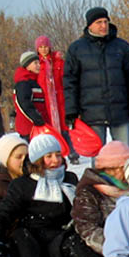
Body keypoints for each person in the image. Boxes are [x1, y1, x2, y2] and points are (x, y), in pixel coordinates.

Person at [0, 134, 105, 257]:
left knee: (78, 241)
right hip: (36, 246)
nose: (55, 160)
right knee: (21, 233)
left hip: (63, 240)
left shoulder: (69, 179)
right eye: (48, 156)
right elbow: (0, 216)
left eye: (57, 154)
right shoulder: (23, 185)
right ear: (37, 160)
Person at [63, 7, 129, 157]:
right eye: (99, 22)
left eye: (105, 21)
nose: (103, 25)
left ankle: (123, 181)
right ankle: (100, 181)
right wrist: (72, 110)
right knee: (98, 158)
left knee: (124, 155)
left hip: (119, 110)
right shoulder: (76, 49)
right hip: (91, 113)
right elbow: (70, 82)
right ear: (89, 25)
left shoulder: (122, 47)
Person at [35, 35, 79, 163]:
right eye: (41, 47)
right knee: (49, 131)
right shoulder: (36, 63)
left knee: (65, 129)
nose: (43, 50)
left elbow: (66, 79)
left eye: (45, 47)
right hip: (45, 102)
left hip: (59, 99)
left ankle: (72, 154)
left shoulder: (58, 62)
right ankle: (52, 155)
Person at [0, 133, 29, 217]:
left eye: (27, 156)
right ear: (6, 161)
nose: (24, 160)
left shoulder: (35, 177)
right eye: (19, 157)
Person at [12, 51, 45, 139]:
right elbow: (24, 102)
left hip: (37, 125)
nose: (38, 65)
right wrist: (36, 118)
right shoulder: (23, 82)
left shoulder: (35, 81)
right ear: (27, 65)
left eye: (39, 63)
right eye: (35, 63)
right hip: (29, 127)